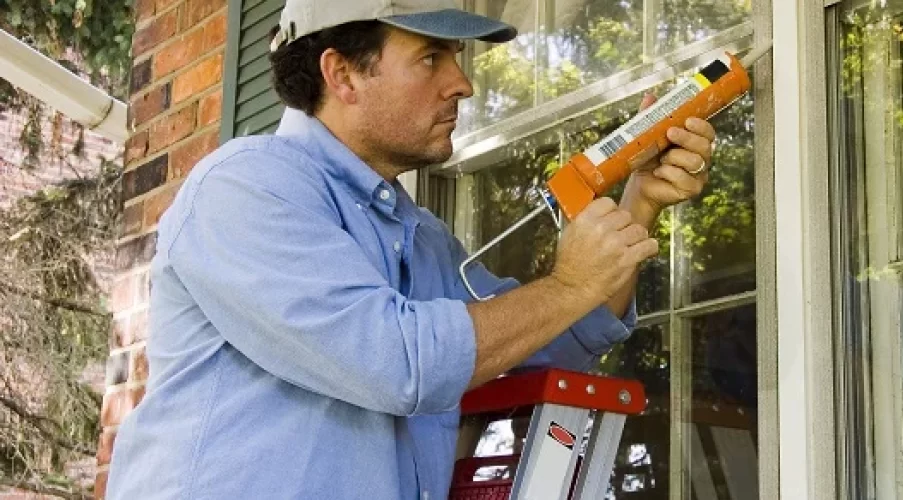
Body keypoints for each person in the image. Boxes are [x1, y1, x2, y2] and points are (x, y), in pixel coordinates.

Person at [104, 1, 718, 498]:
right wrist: (568, 285)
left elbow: (556, 338)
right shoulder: (246, 187)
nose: (464, 83)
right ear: (341, 73)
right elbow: (393, 361)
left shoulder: (422, 238)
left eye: (455, 56)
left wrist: (638, 202)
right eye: (430, 57)